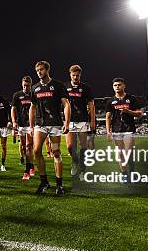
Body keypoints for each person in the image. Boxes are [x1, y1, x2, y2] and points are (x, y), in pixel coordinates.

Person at [29, 61, 70, 196]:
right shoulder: (34, 88)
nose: (39, 72)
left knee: (56, 152)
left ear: (47, 70)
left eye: (41, 69)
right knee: (36, 150)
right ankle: (44, 181)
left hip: (55, 123)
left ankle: (59, 184)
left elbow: (66, 104)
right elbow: (32, 107)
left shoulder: (58, 86)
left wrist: (67, 122)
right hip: (40, 124)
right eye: (37, 70)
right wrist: (30, 125)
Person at [105, 78, 142, 181]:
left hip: (128, 129)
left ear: (124, 86)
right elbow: (108, 117)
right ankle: (124, 174)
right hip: (116, 130)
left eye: (119, 85)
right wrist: (108, 132)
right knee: (121, 154)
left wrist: (128, 111)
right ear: (113, 87)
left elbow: (139, 113)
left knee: (128, 152)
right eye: (115, 85)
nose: (117, 87)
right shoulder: (110, 101)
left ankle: (133, 171)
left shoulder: (131, 98)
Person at [65, 65, 95, 178]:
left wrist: (92, 121)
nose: (75, 77)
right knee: (69, 146)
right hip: (69, 120)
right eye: (73, 75)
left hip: (82, 120)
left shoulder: (86, 88)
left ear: (80, 75)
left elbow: (91, 105)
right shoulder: (65, 86)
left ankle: (83, 169)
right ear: (70, 75)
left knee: (83, 146)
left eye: (77, 75)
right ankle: (75, 162)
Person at [12, 76, 35, 180]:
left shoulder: (34, 94)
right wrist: (13, 121)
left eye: (28, 86)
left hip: (31, 124)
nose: (26, 88)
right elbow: (13, 108)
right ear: (22, 85)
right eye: (24, 86)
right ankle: (31, 165)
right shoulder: (17, 95)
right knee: (23, 147)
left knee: (28, 146)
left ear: (31, 85)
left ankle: (27, 171)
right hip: (21, 124)